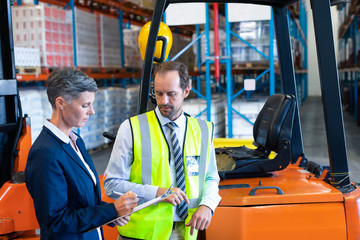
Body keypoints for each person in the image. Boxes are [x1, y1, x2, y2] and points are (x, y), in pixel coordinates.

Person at [104, 61, 221, 240]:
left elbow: (210, 177)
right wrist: (156, 193)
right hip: (140, 234)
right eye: (158, 93)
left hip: (185, 232)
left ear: (186, 91)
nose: (163, 101)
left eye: (171, 94)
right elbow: (111, 184)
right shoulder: (131, 128)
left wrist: (208, 205)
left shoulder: (203, 131)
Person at [25, 68, 138, 240]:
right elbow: (57, 221)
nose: (91, 111)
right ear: (61, 103)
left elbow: (84, 202)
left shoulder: (75, 141)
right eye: (85, 105)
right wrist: (111, 210)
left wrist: (111, 214)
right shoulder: (45, 154)